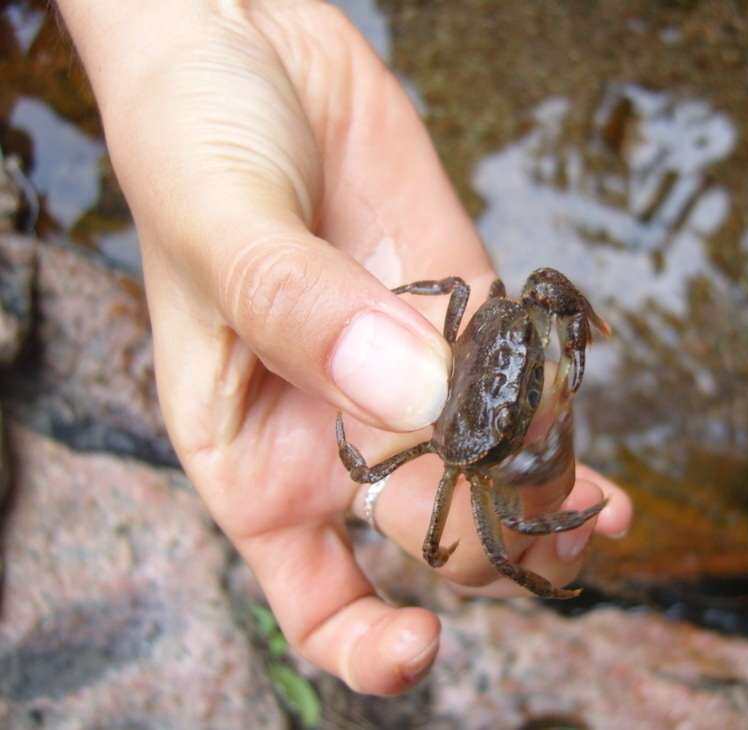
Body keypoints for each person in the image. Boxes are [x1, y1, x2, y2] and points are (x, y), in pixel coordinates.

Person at [57, 0, 633, 696]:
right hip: (464, 434)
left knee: (538, 306)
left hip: (483, 373)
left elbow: (483, 290)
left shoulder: (502, 310)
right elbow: (442, 522)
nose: (521, 396)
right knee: (509, 535)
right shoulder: (455, 461)